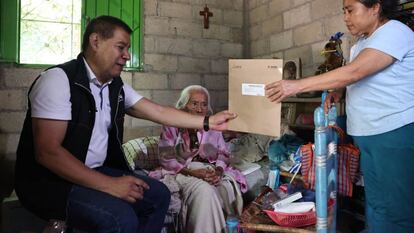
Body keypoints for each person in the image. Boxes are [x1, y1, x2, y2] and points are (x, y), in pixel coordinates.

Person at [14, 16, 237, 233]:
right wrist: (109, 184)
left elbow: (158, 111)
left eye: (128, 49)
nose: (127, 56)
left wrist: (208, 121)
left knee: (159, 196)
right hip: (51, 182)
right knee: (121, 217)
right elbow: (48, 153)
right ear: (95, 42)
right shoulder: (58, 80)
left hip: (93, 170)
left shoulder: (114, 86)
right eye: (121, 47)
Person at [265, 0, 414, 232]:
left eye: (350, 10)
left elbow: (355, 71)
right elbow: (359, 78)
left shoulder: (394, 31)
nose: (346, 17)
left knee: (398, 208)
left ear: (375, 7)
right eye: (344, 11)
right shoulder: (363, 42)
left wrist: (295, 86)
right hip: (369, 134)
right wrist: (338, 91)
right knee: (377, 204)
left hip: (393, 133)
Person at [153, 85, 247, 233]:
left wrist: (218, 170)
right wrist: (195, 173)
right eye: (194, 103)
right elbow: (166, 158)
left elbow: (223, 153)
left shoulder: (212, 125)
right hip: (182, 171)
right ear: (184, 105)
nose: (199, 109)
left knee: (224, 188)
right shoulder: (172, 124)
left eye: (203, 104)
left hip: (209, 170)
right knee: (206, 191)